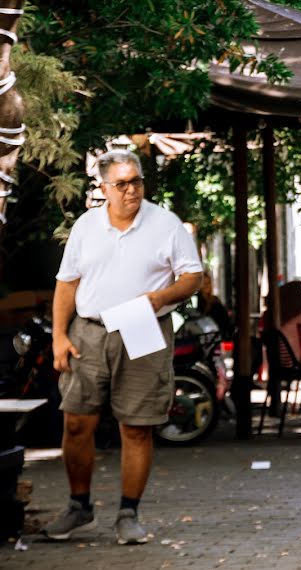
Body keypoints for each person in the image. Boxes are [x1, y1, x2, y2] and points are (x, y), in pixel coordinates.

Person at [45, 149, 203, 545]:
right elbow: (67, 283)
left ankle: (128, 514)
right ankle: (78, 507)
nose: (131, 190)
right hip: (90, 328)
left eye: (136, 181)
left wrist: (159, 297)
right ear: (103, 188)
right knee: (77, 421)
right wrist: (59, 337)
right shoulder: (86, 226)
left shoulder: (166, 224)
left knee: (136, 425)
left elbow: (193, 278)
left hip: (141, 325)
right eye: (122, 183)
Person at [197, 271, 233, 341]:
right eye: (205, 283)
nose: (207, 286)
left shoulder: (215, 300)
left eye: (209, 283)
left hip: (218, 335)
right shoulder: (198, 301)